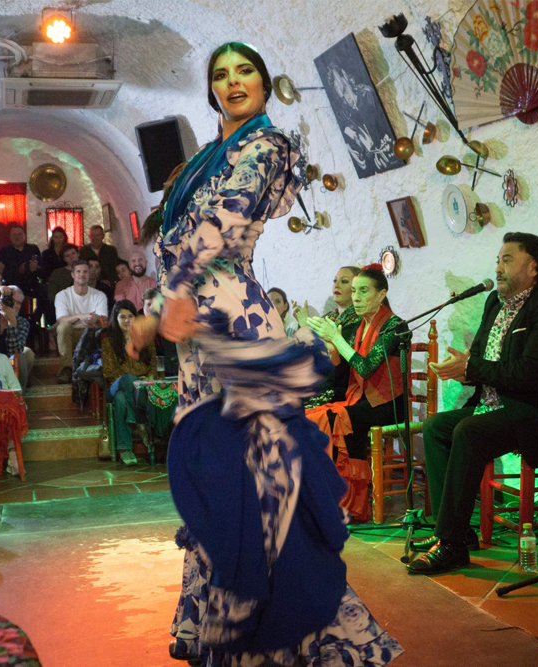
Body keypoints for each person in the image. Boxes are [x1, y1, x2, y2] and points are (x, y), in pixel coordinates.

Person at [132, 42, 401, 665]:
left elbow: (221, 229)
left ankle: (316, 634)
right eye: (220, 75)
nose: (233, 82)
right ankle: (214, 620)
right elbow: (177, 242)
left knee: (259, 479)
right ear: (209, 90)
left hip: (235, 319)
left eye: (244, 71)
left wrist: (164, 302)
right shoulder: (203, 158)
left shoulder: (264, 147)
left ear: (263, 81)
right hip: (197, 331)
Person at [406, 233, 538, 575]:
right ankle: (457, 531)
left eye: (507, 260)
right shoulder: (494, 302)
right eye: (497, 260)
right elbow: (488, 359)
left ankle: (451, 544)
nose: (498, 268)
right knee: (436, 427)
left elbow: (532, 374)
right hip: (496, 405)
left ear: (533, 267)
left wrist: (471, 367)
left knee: (468, 431)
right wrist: (464, 370)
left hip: (536, 412)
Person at [304, 267, 406, 522]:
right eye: (355, 291)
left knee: (333, 419)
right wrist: (330, 344)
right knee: (310, 415)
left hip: (388, 404)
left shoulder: (394, 326)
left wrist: (337, 339)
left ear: (381, 295)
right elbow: (346, 368)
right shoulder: (362, 326)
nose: (356, 297)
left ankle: (350, 504)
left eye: (364, 291)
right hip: (361, 398)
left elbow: (365, 366)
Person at [101, 300, 156, 465]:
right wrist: (133, 380)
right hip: (116, 384)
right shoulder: (108, 342)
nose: (126, 320)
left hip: (139, 387)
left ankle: (125, 449)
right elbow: (109, 373)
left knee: (121, 400)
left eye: (130, 316)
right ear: (116, 320)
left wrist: (150, 378)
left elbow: (153, 367)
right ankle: (141, 422)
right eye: (122, 317)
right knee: (127, 380)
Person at [298, 266, 362, 407]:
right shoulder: (328, 318)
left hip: (341, 387)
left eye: (344, 281)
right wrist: (303, 327)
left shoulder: (359, 322)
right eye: (335, 280)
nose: (336, 285)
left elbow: (344, 364)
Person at [55, 261, 109, 384]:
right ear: (72, 275)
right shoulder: (62, 295)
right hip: (72, 333)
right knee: (63, 327)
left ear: (89, 274)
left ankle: (98, 367)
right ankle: (66, 368)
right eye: (78, 271)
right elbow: (61, 319)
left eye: (85, 271)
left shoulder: (99, 295)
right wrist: (80, 316)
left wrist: (94, 317)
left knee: (102, 329)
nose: (82, 274)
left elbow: (103, 318)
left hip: (91, 333)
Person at [142, 287, 178, 377]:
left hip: (171, 371)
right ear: (143, 307)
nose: (152, 308)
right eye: (148, 304)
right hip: (147, 373)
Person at [0, 223, 42, 293]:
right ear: (9, 237)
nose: (16, 237)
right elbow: (2, 273)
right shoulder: (3, 252)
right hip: (12, 287)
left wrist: (36, 268)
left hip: (32, 286)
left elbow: (42, 268)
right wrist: (18, 271)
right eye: (14, 234)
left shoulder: (33, 249)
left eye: (19, 234)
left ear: (24, 236)